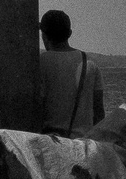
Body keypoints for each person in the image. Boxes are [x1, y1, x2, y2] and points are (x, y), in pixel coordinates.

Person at [38, 9, 104, 137]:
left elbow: (37, 107)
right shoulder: (89, 63)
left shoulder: (40, 62)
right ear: (70, 33)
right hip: (83, 143)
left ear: (44, 36)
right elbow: (99, 112)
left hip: (51, 141)